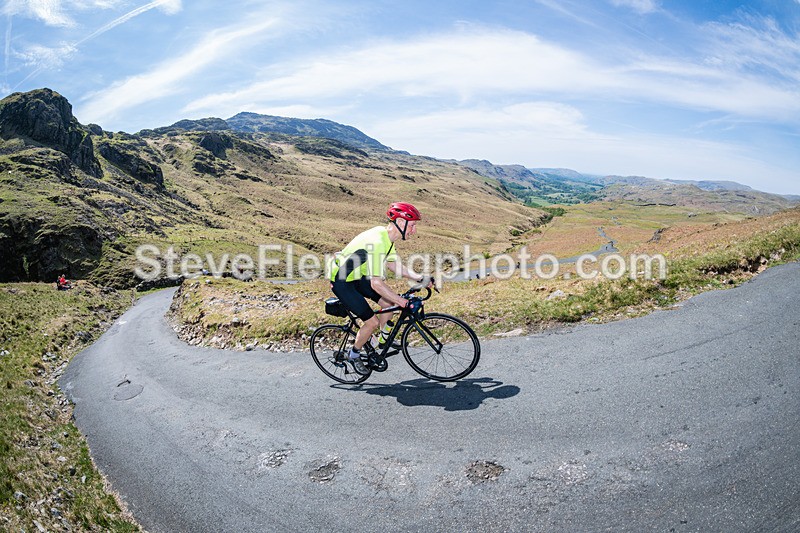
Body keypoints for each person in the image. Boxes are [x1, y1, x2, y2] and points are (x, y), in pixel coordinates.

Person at [330, 202, 433, 374]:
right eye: (412, 225)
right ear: (401, 222)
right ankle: (353, 354)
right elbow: (376, 284)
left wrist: (420, 278)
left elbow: (393, 265)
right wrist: (403, 302)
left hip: (358, 276)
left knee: (388, 304)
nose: (414, 230)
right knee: (372, 322)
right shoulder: (378, 242)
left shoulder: (387, 238)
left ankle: (382, 341)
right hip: (342, 281)